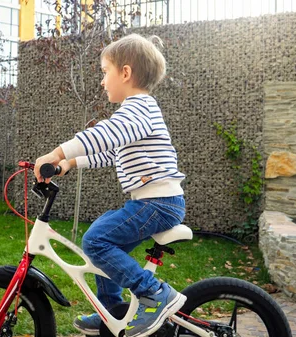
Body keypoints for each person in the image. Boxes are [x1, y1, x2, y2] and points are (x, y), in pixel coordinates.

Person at [33, 33, 186, 337]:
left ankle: (155, 293)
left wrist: (57, 153)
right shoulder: (137, 113)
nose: (102, 82)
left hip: (158, 203)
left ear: (125, 73)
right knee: (102, 237)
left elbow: (103, 134)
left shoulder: (138, 108)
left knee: (96, 241)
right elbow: (110, 153)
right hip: (152, 202)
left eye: (105, 72)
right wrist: (69, 164)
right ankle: (111, 312)